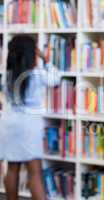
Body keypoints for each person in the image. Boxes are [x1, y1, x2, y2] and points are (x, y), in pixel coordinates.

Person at [0, 35, 61, 200]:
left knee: (12, 169)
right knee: (35, 172)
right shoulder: (37, 74)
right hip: (28, 125)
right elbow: (56, 78)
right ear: (31, 53)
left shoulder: (7, 76)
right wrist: (46, 59)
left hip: (8, 123)